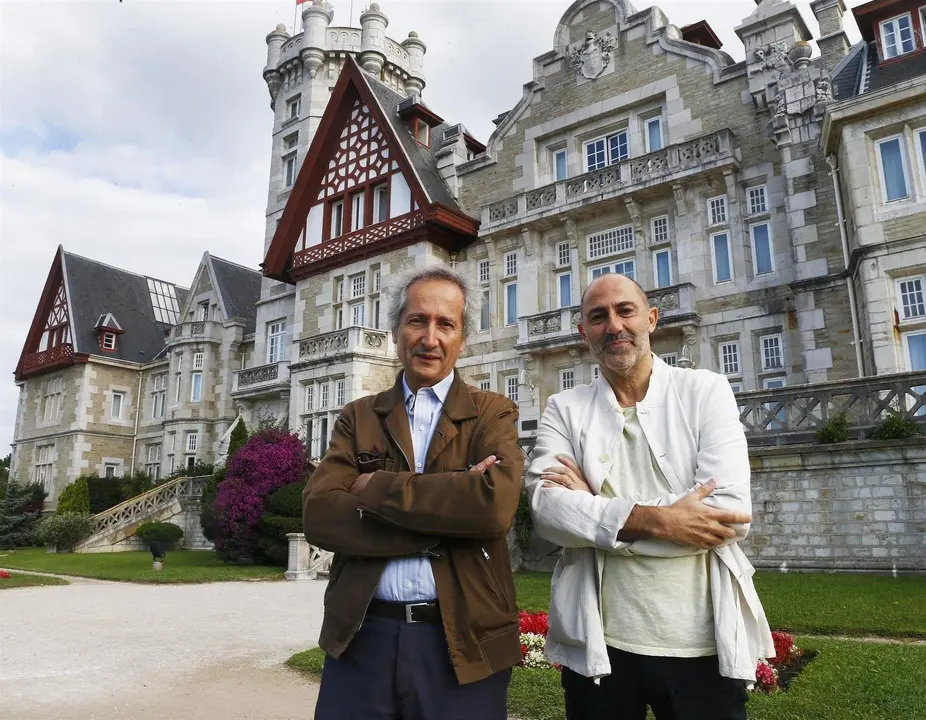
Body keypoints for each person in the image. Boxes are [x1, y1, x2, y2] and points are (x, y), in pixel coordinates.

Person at [525, 273, 774, 720]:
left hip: (700, 647)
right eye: (598, 317)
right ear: (583, 332)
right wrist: (666, 521)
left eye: (626, 311)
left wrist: (597, 516)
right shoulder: (565, 408)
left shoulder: (705, 391)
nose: (614, 326)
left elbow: (727, 516)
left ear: (652, 319)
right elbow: (546, 511)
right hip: (601, 646)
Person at [303, 263, 524, 720]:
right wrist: (448, 515)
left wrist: (373, 487)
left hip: (463, 641)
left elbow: (493, 509)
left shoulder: (492, 412)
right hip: (362, 637)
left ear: (463, 337)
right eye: (417, 321)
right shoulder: (358, 416)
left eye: (446, 324)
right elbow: (320, 515)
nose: (430, 338)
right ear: (396, 330)